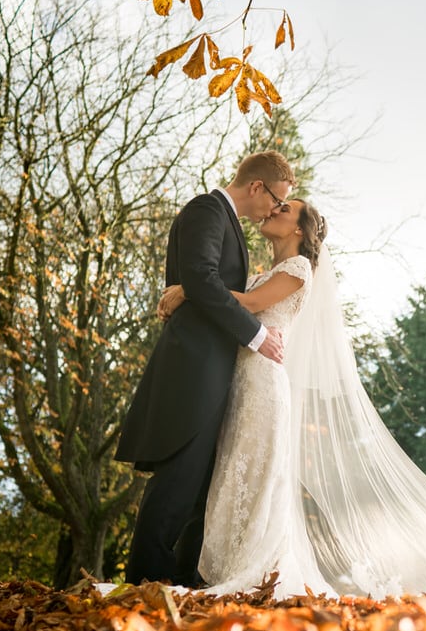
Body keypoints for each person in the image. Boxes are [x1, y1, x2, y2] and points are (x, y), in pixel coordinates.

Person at [159, 199, 426, 598]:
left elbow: (246, 305)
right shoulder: (267, 273)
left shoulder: (298, 270)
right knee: (234, 473)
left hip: (264, 386)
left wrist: (187, 291)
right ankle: (221, 568)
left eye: (285, 209)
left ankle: (250, 572)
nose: (274, 210)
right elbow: (230, 303)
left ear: (299, 229)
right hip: (242, 383)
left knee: (255, 477)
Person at [115, 151, 295, 587]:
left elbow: (202, 283)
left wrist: (189, 291)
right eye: (275, 199)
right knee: (177, 478)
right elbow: (199, 273)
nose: (273, 209)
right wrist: (255, 335)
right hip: (192, 368)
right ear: (256, 186)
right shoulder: (207, 209)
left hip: (213, 371)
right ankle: (145, 582)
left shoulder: (227, 222)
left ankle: (182, 580)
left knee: (198, 484)